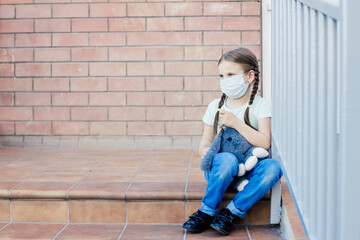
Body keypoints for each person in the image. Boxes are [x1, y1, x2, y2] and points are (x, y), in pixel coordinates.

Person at [182, 47, 283, 236]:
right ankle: (206, 211)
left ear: (249, 76)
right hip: (222, 170)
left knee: (273, 168)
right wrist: (204, 149)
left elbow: (264, 142)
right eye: (221, 75)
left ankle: (230, 213)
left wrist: (236, 123)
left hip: (249, 171)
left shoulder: (260, 106)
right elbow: (206, 139)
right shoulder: (216, 106)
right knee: (226, 159)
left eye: (230, 74)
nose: (224, 80)